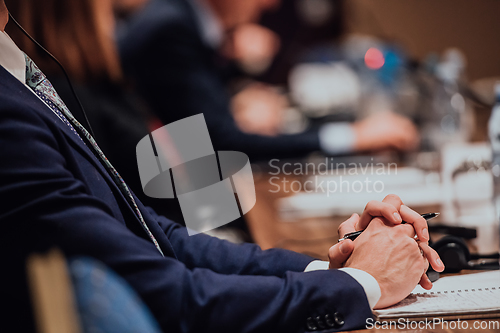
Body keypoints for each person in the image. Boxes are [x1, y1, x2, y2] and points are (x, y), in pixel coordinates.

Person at [0, 1, 443, 332]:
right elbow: (172, 290)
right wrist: (359, 283)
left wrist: (329, 272)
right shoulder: (15, 106)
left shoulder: (27, 75)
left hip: (204, 232)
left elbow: (152, 230)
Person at [117, 0, 419, 161]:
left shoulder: (177, 17)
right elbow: (223, 142)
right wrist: (353, 137)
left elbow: (196, 104)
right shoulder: (171, 29)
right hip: (172, 207)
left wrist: (240, 84)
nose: (269, 4)